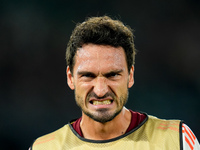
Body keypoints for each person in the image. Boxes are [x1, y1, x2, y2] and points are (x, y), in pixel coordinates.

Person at [29, 16, 200, 150]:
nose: (101, 90)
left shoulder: (176, 140)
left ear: (130, 76)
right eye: (88, 76)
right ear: (70, 77)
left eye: (112, 75)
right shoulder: (43, 148)